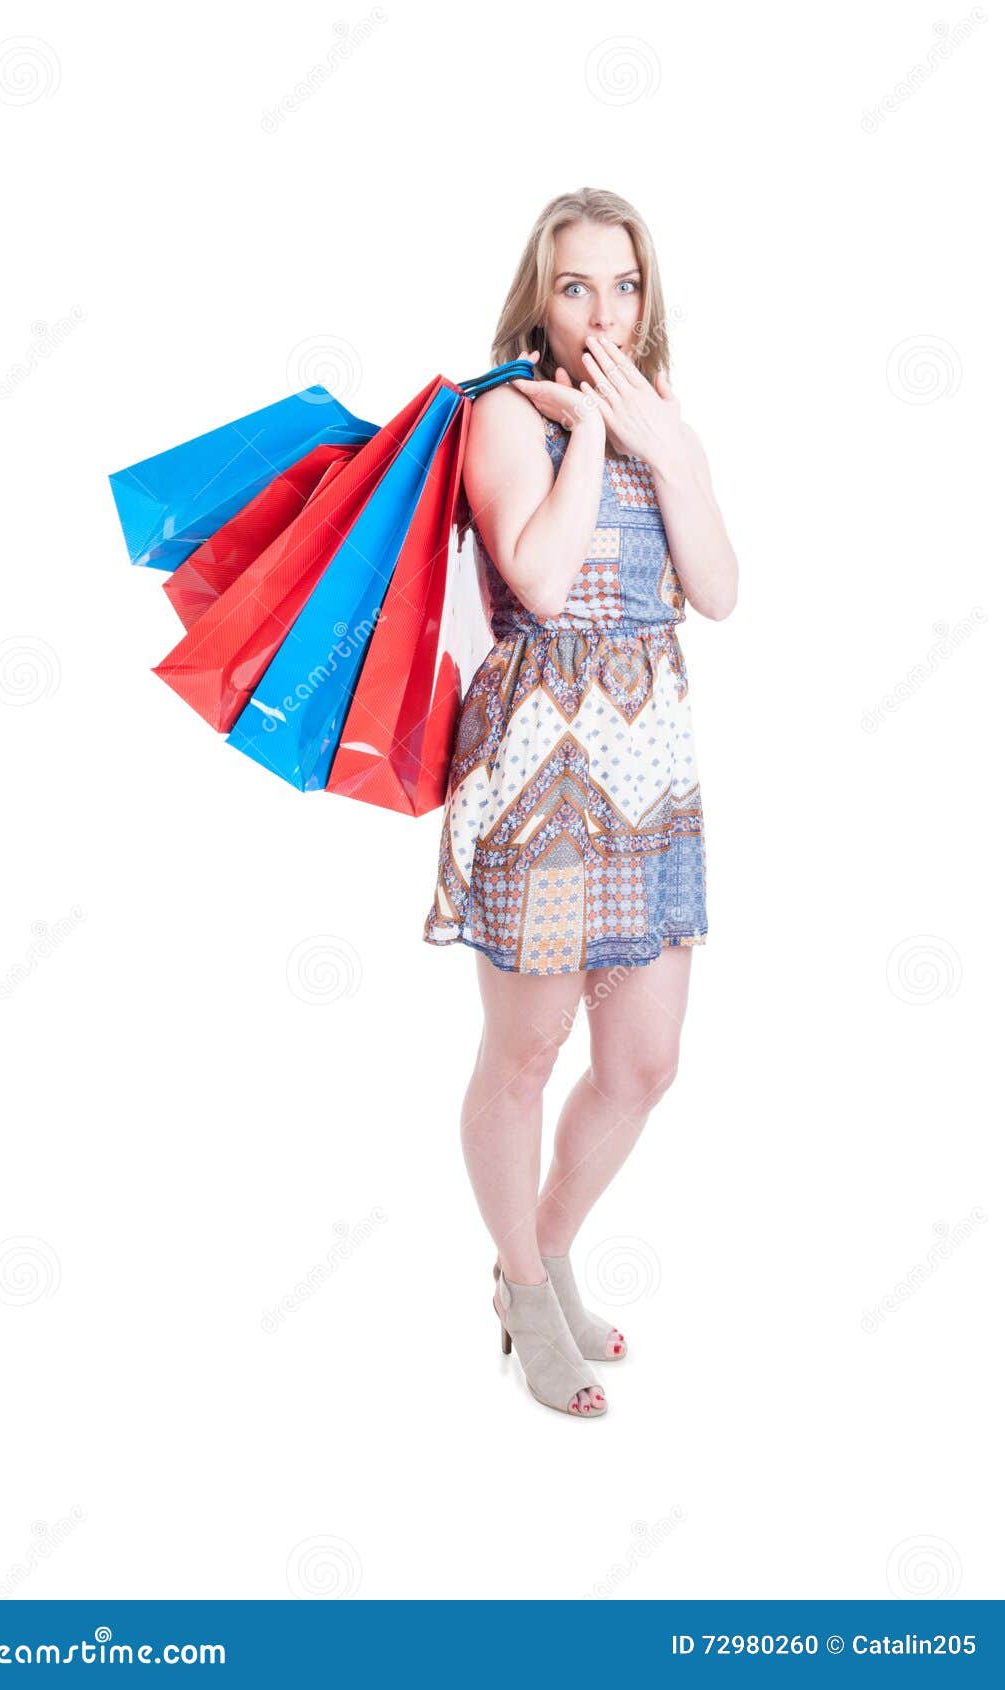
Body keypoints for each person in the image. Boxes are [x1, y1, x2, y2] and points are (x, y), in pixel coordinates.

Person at [423, 187, 738, 1418]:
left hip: (649, 770)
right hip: (539, 771)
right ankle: (521, 1276)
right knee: (530, 1049)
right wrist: (596, 441)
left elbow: (714, 588)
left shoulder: (667, 420)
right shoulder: (501, 414)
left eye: (622, 285)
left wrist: (659, 442)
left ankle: (536, 1259)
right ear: (537, 297)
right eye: (574, 285)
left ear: (645, 297)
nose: (600, 311)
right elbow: (544, 584)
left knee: (645, 1062)